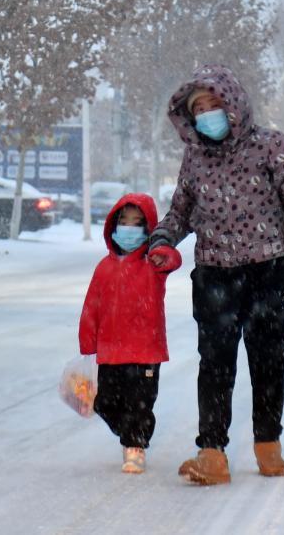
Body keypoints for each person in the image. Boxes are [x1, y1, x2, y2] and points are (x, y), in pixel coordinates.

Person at [147, 63, 284, 485]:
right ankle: (212, 453)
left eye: (213, 104)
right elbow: (182, 210)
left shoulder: (272, 146)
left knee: (267, 361)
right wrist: (162, 239)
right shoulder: (195, 157)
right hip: (214, 275)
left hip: (268, 270)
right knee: (215, 365)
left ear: (234, 104)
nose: (207, 113)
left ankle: (268, 446)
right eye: (198, 108)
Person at [79, 193, 182, 474]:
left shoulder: (153, 264)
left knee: (140, 402)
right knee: (105, 401)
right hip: (111, 352)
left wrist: (163, 253)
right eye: (124, 222)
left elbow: (174, 259)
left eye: (138, 223)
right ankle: (129, 430)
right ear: (113, 226)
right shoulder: (104, 267)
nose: (129, 229)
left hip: (146, 351)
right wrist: (88, 343)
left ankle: (135, 445)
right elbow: (92, 307)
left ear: (148, 229)